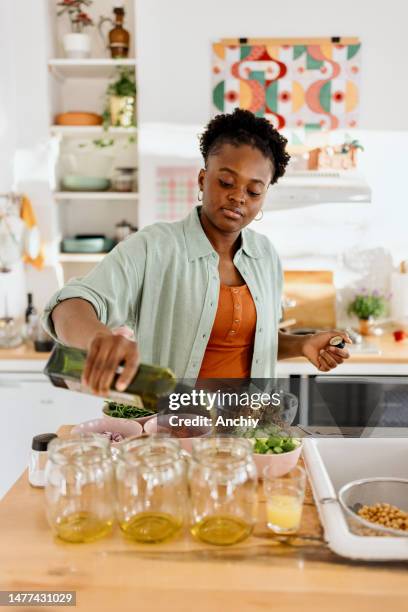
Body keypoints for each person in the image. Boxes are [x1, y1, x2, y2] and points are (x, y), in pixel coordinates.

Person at [42, 108, 351, 396]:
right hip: (171, 430)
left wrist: (303, 345)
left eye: (254, 190)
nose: (238, 197)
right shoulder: (155, 247)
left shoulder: (265, 255)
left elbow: (253, 342)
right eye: (226, 181)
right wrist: (99, 339)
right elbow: (69, 306)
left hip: (249, 429)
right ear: (203, 180)